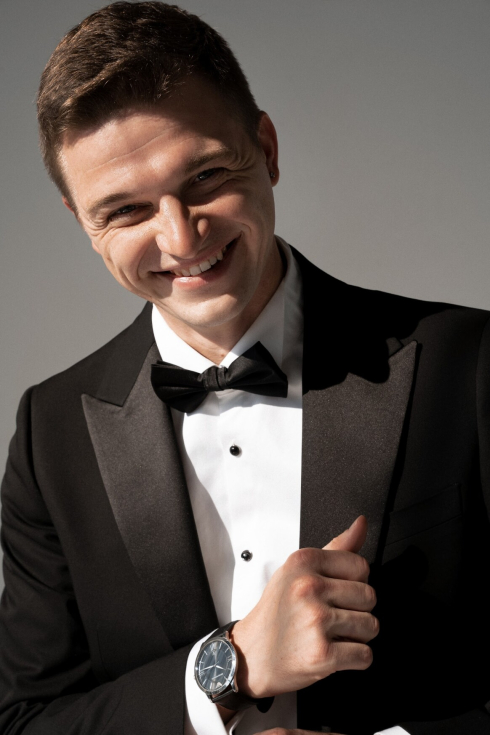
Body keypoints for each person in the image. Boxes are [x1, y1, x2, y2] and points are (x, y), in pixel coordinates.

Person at [1, 2, 490, 734]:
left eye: (204, 175)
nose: (180, 237)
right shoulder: (51, 435)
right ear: (82, 222)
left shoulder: (470, 362)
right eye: (126, 211)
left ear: (266, 148)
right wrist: (229, 663)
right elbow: (27, 723)